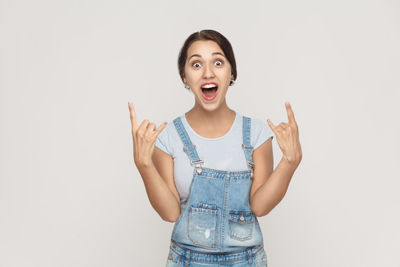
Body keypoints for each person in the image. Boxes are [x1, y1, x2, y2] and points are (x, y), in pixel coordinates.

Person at [128, 29, 302, 267]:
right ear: (184, 76)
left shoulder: (257, 133)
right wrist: (144, 165)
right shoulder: (168, 137)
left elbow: (260, 207)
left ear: (231, 72)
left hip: (247, 261)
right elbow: (170, 213)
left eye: (218, 62)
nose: (208, 73)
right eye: (196, 64)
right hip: (186, 261)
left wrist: (290, 163)